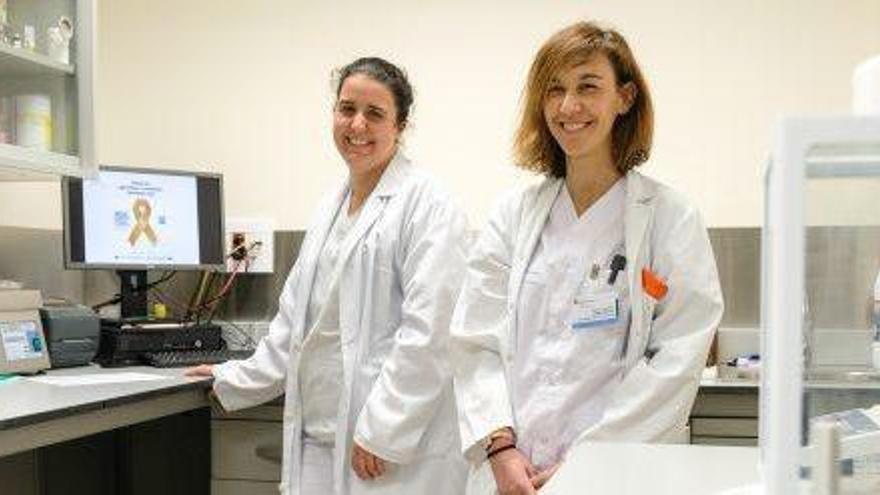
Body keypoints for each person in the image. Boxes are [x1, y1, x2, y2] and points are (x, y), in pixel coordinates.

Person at [450, 21, 724, 494]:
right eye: (554, 89)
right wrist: (500, 447)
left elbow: (676, 360)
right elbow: (476, 341)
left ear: (625, 97)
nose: (568, 106)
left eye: (588, 87)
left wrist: (591, 463)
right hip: (511, 475)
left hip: (617, 473)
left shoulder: (670, 218)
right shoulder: (512, 214)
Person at [188, 57, 469, 495]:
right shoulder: (329, 208)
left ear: (401, 125)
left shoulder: (429, 205)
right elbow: (295, 325)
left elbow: (430, 331)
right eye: (346, 109)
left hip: (386, 451)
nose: (357, 125)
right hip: (320, 439)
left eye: (375, 114)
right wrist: (232, 377)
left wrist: (384, 428)